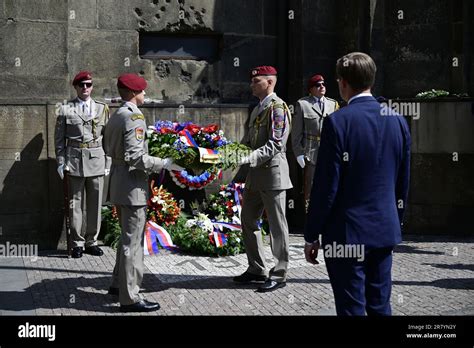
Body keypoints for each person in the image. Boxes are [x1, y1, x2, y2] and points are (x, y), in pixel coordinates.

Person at [304, 52, 411, 315]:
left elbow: (327, 185)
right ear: (372, 80)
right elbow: (403, 181)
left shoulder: (338, 122)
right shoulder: (397, 120)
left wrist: (311, 234)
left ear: (342, 83)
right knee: (380, 305)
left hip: (347, 233)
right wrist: (396, 220)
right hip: (384, 229)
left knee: (352, 308)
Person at [103, 73, 183, 312]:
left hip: (119, 182)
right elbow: (136, 157)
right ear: (133, 93)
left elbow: (109, 148)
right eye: (142, 91)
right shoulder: (134, 118)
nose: (145, 94)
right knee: (134, 242)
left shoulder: (116, 115)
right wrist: (165, 163)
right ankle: (130, 298)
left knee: (126, 238)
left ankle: (118, 284)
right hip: (132, 186)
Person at [233, 66, 293, 293]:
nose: (251, 84)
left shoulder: (277, 108)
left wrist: (250, 156)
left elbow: (276, 143)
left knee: (277, 226)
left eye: (255, 81)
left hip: (273, 174)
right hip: (256, 175)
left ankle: (279, 273)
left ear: (269, 82)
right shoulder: (259, 108)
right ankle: (256, 268)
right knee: (247, 219)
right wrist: (229, 154)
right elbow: (248, 141)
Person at [54, 71, 110, 258]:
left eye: (88, 84)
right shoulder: (66, 108)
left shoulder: (102, 108)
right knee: (75, 203)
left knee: (95, 203)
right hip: (75, 159)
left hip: (96, 159)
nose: (85, 88)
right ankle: (77, 243)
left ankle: (91, 241)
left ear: (92, 86)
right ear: (76, 87)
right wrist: (61, 162)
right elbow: (59, 139)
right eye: (81, 85)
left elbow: (107, 139)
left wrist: (108, 161)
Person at [291, 74, 339, 211]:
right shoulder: (303, 104)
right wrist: (299, 154)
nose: (322, 87)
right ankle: (310, 216)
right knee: (310, 187)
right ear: (311, 89)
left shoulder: (333, 104)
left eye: (323, 84)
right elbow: (296, 133)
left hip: (329, 151)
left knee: (329, 185)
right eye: (318, 85)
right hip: (310, 152)